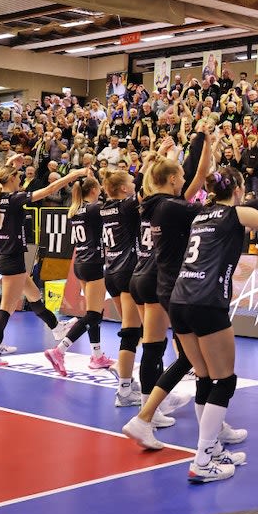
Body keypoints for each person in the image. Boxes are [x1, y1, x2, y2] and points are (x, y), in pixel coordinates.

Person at [170, 167, 258, 483]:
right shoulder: (235, 214)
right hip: (207, 300)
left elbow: (256, 211)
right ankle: (202, 460)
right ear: (239, 189)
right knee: (224, 381)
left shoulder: (201, 214)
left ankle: (210, 449)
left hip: (180, 299)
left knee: (204, 377)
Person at [122, 133, 219, 449]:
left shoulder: (149, 202)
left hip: (142, 274)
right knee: (165, 349)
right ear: (172, 179)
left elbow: (194, 179)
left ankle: (154, 408)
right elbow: (201, 193)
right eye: (179, 177)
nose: (184, 181)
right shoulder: (171, 207)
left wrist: (202, 147)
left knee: (165, 347)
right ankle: (149, 411)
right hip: (159, 278)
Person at [0, 161, 87, 367]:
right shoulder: (15, 199)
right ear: (11, 179)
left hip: (4, 256)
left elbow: (1, 178)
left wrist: (10, 164)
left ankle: (56, 328)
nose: (21, 180)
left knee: (34, 296)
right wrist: (75, 174)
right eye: (18, 177)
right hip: (13, 259)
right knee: (6, 309)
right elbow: (51, 189)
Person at [44, 174, 114, 376]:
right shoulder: (94, 208)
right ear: (93, 191)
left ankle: (97, 355)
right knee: (93, 314)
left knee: (95, 312)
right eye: (99, 187)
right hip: (93, 263)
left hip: (81, 263)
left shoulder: (75, 209)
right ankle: (60, 350)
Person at [98, 169, 146, 407]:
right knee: (131, 332)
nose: (134, 184)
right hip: (127, 272)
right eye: (130, 182)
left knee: (136, 330)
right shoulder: (126, 206)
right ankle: (125, 390)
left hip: (112, 272)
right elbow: (147, 186)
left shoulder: (105, 207)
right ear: (124, 189)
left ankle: (122, 372)